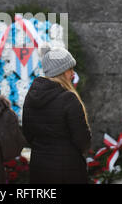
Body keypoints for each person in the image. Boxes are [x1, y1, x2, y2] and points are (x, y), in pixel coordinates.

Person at [22, 45, 92, 184]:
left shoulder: (31, 97)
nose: (73, 74)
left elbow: (28, 134)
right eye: (70, 69)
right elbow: (82, 140)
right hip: (68, 169)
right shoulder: (69, 99)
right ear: (61, 72)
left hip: (39, 167)